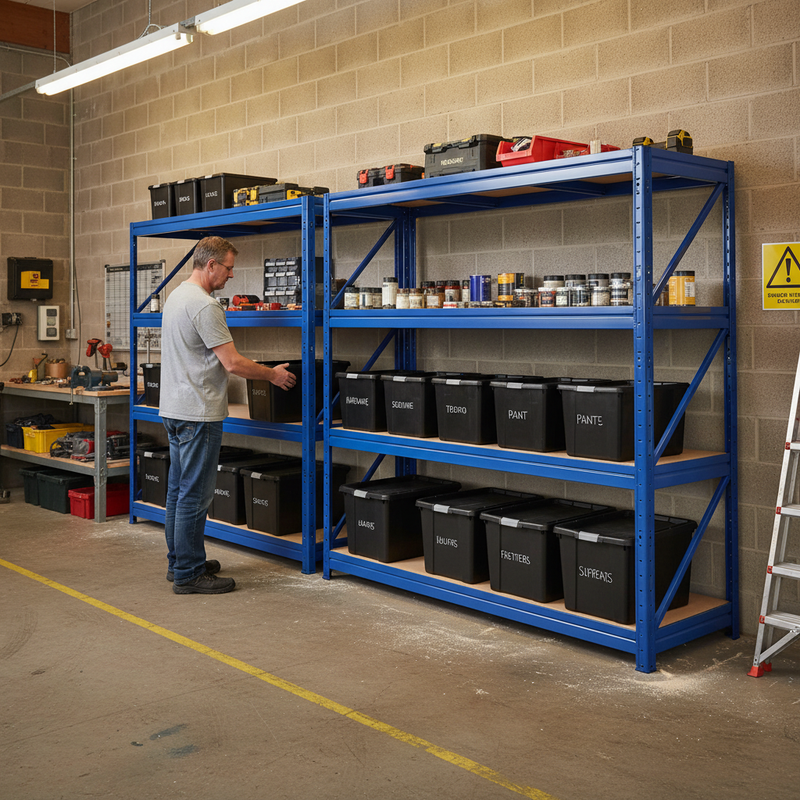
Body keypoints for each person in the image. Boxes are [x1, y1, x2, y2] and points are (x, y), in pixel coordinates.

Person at [158, 236, 296, 594]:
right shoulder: (205, 306)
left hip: (174, 409)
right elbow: (232, 363)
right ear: (211, 265)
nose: (231, 276)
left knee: (177, 492)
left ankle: (181, 562)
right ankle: (189, 573)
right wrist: (273, 374)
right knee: (195, 496)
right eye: (229, 268)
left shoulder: (175, 297)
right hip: (198, 413)